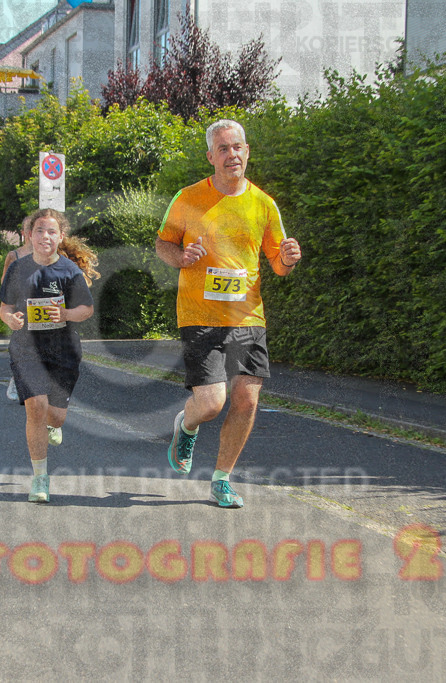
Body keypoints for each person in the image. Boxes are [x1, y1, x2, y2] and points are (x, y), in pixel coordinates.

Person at [155, 119, 302, 508]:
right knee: (211, 403)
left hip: (247, 317)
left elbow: (278, 264)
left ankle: (222, 479)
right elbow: (163, 244)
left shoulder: (264, 204)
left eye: (237, 147)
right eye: (223, 149)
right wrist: (181, 257)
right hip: (199, 313)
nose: (232, 154)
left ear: (247, 151)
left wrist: (287, 259)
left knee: (247, 400)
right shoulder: (187, 198)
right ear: (210, 157)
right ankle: (186, 426)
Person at [0, 208, 97, 503]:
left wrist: (66, 313)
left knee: (55, 416)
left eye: (52, 231)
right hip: (27, 347)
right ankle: (40, 479)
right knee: (36, 407)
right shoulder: (18, 268)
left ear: (61, 237)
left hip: (63, 349)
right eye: (39, 230)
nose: (45, 236)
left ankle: (54, 424)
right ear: (29, 235)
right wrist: (10, 319)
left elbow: (86, 309)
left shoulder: (69, 270)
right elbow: (4, 307)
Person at [1, 217, 34, 402]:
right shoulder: (14, 255)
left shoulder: (49, 254)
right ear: (24, 233)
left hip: (41, 309)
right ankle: (17, 377)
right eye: (28, 229)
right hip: (21, 308)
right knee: (21, 347)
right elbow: (4, 284)